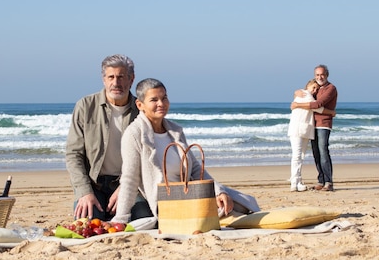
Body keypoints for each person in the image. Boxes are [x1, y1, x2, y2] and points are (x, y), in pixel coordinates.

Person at [113, 78, 257, 227]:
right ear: (140, 105)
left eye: (164, 98)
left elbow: (195, 169)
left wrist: (219, 192)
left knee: (233, 202)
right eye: (154, 100)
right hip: (164, 201)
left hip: (188, 192)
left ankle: (224, 214)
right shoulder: (134, 134)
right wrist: (121, 219)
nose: (161, 104)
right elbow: (130, 179)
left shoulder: (175, 131)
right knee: (215, 212)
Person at [65, 54, 150, 220]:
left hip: (129, 183)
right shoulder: (85, 106)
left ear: (131, 79)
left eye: (121, 77)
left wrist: (126, 188)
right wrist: (84, 192)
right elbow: (73, 154)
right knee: (87, 221)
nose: (116, 83)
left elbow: (149, 157)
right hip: (93, 184)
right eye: (111, 77)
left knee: (144, 219)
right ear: (104, 79)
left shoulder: (142, 110)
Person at [291, 64, 338, 191]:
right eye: (317, 75)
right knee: (316, 153)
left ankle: (328, 181)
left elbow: (317, 104)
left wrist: (298, 105)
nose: (320, 77)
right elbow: (305, 93)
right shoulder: (315, 88)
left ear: (327, 75)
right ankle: (321, 181)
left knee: (323, 151)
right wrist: (297, 92)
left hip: (323, 124)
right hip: (312, 124)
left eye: (322, 74)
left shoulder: (331, 88)